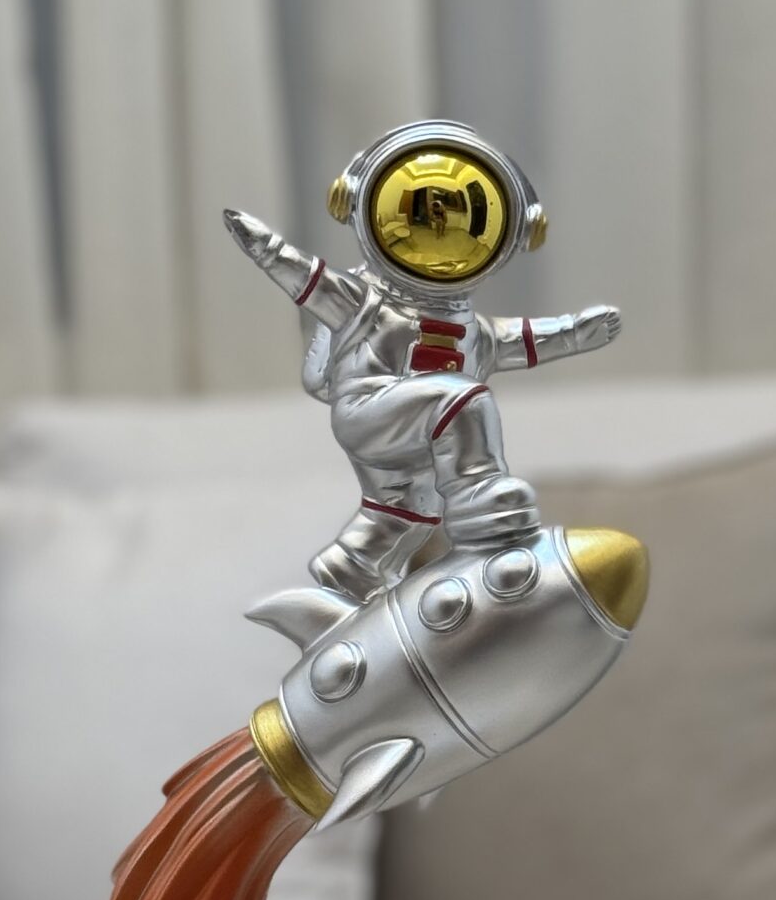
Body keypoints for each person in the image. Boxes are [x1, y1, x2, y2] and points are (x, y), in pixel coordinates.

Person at [224, 120, 620, 607]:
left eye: (460, 218)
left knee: (412, 512)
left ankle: (352, 569)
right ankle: (479, 493)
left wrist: (574, 333)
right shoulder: (367, 304)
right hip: (369, 410)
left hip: (411, 440)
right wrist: (266, 248)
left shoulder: (473, 331)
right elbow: (310, 279)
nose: (438, 227)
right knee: (463, 398)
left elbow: (522, 340)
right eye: (421, 212)